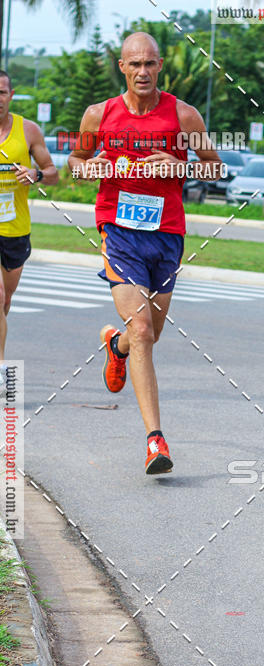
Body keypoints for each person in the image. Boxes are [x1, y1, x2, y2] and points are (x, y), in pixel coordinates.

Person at [68, 32, 221, 474]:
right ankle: (155, 440)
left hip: (166, 233)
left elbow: (214, 166)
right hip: (118, 232)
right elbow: (75, 161)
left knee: (149, 333)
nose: (142, 72)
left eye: (150, 64)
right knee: (141, 328)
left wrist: (182, 166)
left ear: (159, 67)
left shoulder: (183, 115)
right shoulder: (99, 115)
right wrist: (88, 166)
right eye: (134, 64)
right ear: (122, 68)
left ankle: (115, 347)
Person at [0, 69, 58, 385]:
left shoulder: (29, 130)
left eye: (2, 92)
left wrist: (35, 175)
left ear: (10, 95)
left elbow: (53, 173)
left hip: (14, 229)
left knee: (5, 302)